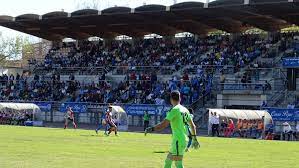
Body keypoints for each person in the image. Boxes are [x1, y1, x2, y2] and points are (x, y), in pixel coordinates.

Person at [145, 91, 199, 168]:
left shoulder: (174, 110)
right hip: (181, 139)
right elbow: (193, 126)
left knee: (178, 163)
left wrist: (151, 129)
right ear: (180, 99)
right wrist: (194, 139)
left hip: (178, 140)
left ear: (171, 99)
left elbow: (163, 125)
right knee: (168, 161)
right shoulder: (185, 110)